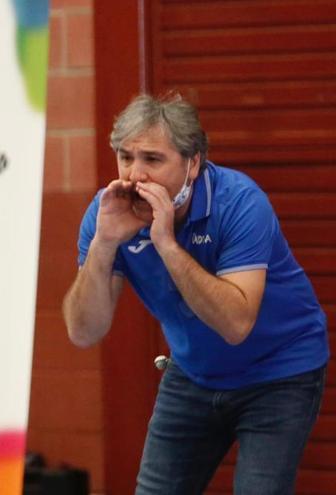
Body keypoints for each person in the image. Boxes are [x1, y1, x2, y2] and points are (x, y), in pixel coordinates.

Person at [62, 93, 329, 494]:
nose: (135, 176)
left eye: (153, 159)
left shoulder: (239, 202)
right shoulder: (106, 214)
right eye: (125, 157)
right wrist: (103, 244)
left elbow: (236, 324)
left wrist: (167, 244)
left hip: (278, 371)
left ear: (193, 164)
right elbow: (83, 332)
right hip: (194, 372)